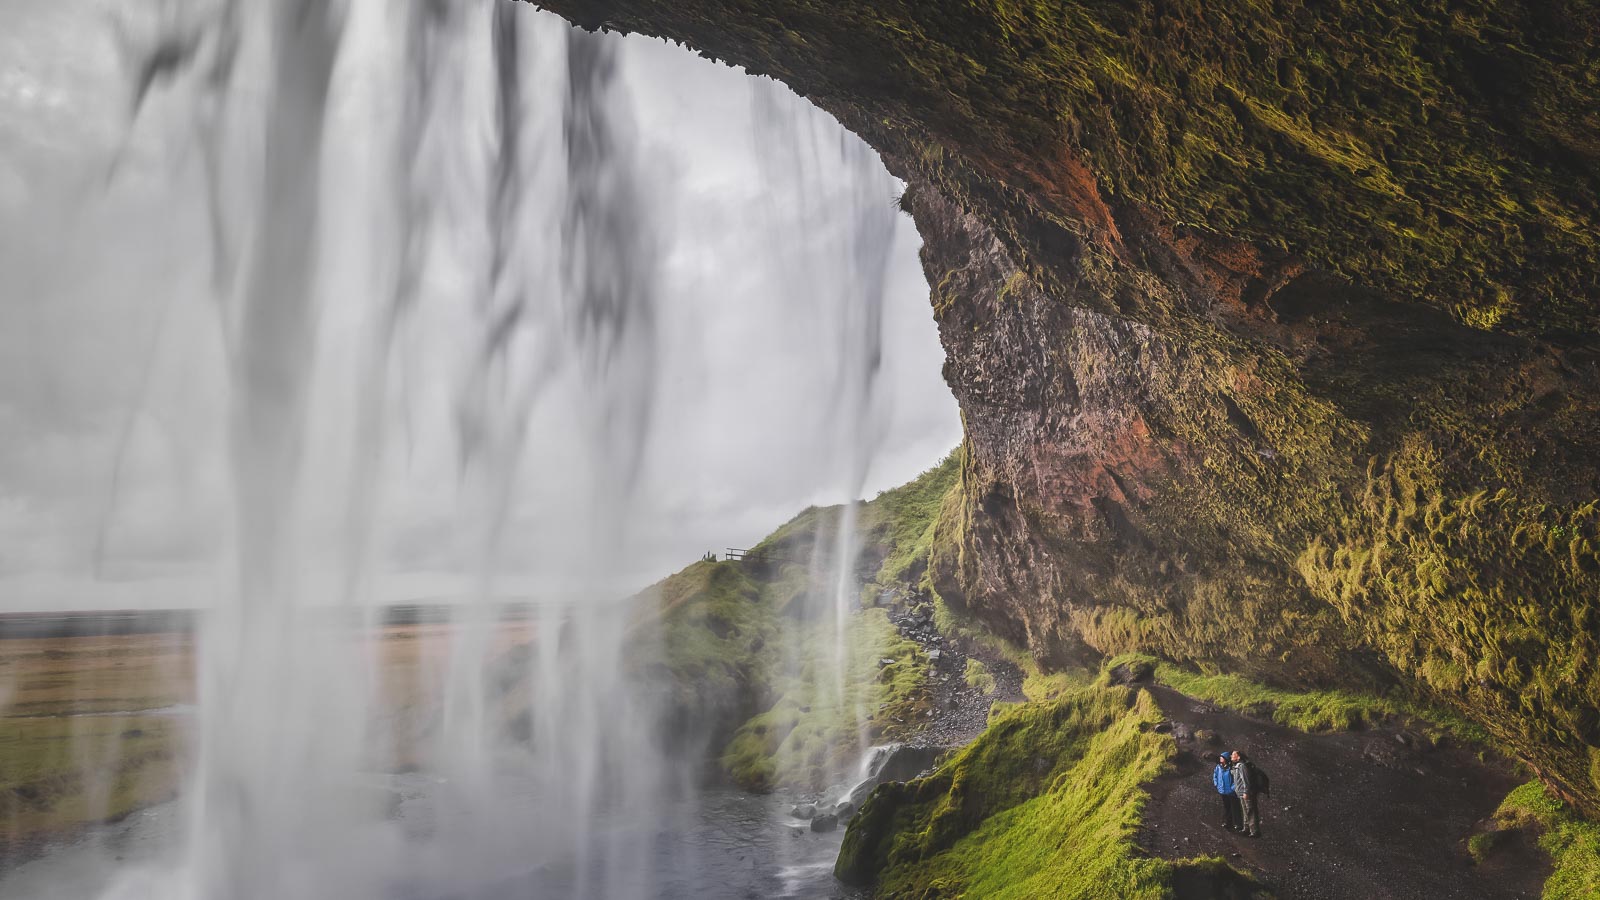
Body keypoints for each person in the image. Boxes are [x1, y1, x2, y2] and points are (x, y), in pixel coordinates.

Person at [1230, 750, 1261, 838]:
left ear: (1238, 757)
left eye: (1233, 754)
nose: (1231, 756)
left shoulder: (1242, 766)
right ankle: (1246, 828)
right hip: (1241, 793)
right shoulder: (1237, 766)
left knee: (1250, 811)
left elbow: (1246, 780)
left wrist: (1246, 792)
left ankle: (1254, 831)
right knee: (1245, 811)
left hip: (1245, 793)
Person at [1212, 752, 1242, 831]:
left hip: (1231, 792)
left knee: (1235, 807)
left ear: (1225, 759)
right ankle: (1227, 822)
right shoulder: (1218, 767)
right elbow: (1215, 775)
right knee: (1227, 807)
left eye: (1222, 757)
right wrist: (1216, 784)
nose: (1220, 758)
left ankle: (1238, 824)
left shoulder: (1232, 768)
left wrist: (1233, 788)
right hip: (1223, 791)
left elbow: (1236, 778)